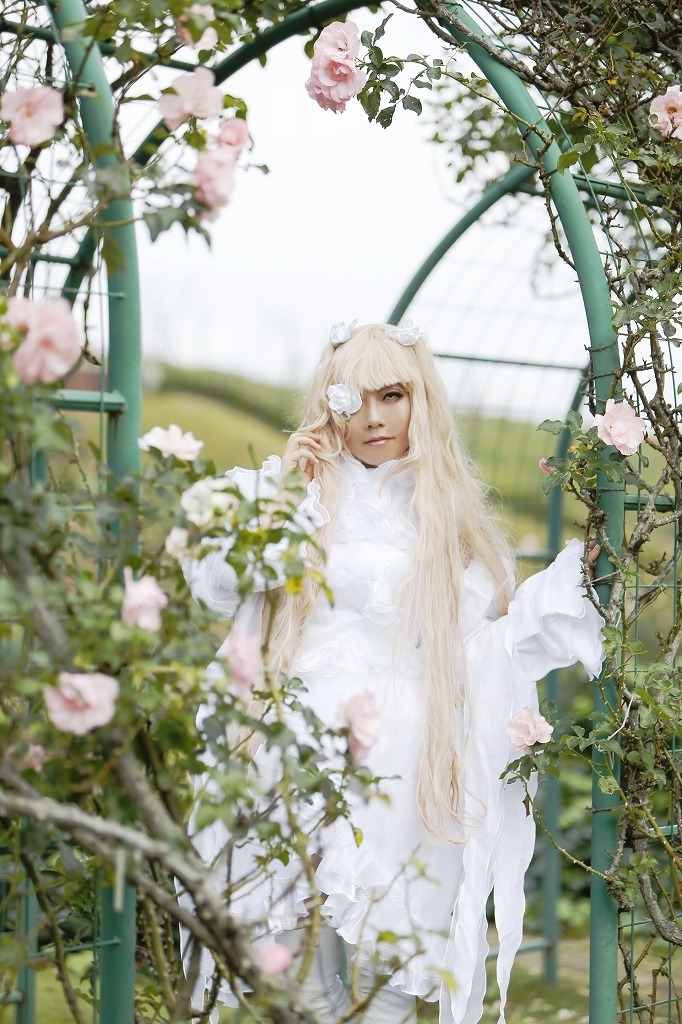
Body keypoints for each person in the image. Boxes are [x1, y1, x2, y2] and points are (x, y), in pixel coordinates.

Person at [183, 320, 604, 1024]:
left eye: (393, 395)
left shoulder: (446, 518)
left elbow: (485, 646)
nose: (373, 418)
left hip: (406, 773)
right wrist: (287, 491)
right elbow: (219, 583)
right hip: (297, 761)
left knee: (392, 984)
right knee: (299, 981)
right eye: (352, 399)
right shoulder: (300, 496)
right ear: (329, 407)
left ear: (420, 402)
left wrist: (572, 587)